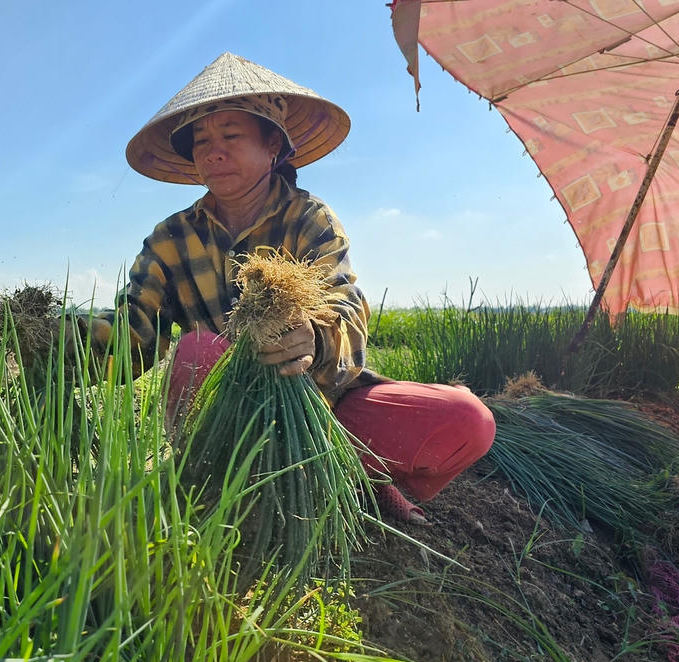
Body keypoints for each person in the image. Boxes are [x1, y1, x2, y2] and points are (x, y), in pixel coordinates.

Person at [86, 53, 495, 524]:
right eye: (201, 141)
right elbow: (135, 329)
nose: (212, 151)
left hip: (324, 408)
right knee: (198, 348)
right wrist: (52, 339)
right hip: (226, 415)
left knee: (468, 420)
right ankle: (215, 488)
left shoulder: (310, 220)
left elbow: (343, 304)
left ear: (274, 148)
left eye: (230, 136)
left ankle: (356, 473)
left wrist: (313, 337)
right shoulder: (171, 238)